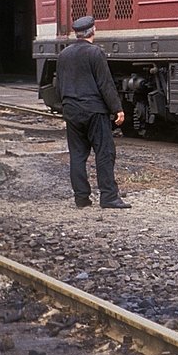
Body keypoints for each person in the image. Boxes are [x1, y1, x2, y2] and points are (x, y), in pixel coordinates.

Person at [57, 15, 131, 209]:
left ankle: (81, 198)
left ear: (76, 33)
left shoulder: (64, 54)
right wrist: (117, 109)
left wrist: (65, 106)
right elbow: (105, 84)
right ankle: (108, 197)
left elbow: (59, 84)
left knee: (77, 155)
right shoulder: (95, 53)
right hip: (94, 111)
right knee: (105, 152)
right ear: (93, 31)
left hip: (72, 111)